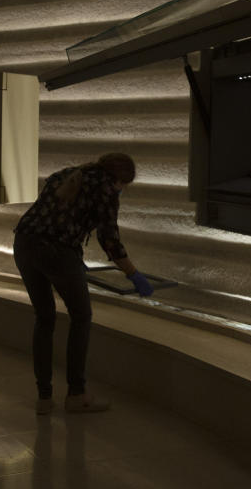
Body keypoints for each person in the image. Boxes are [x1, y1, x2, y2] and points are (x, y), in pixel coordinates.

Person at [13, 153, 153, 415]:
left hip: (24, 243)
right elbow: (110, 240)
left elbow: (53, 216)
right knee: (81, 317)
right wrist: (134, 274)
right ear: (120, 180)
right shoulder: (106, 190)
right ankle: (76, 394)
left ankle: (44, 398)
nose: (122, 191)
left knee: (44, 318)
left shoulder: (68, 173)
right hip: (57, 252)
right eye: (124, 186)